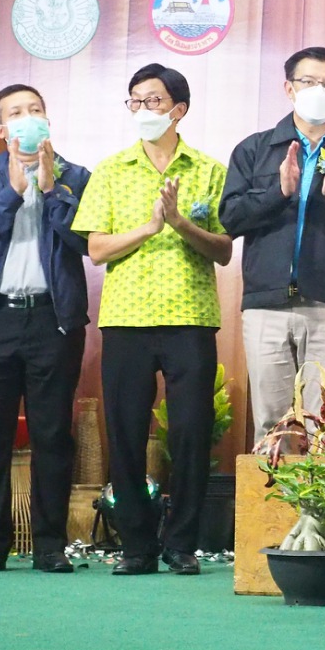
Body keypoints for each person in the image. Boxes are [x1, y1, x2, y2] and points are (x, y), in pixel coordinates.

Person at [72, 64, 232, 576]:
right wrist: (149, 227)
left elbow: (224, 250)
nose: (143, 109)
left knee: (190, 434)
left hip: (190, 317)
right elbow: (96, 249)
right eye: (135, 101)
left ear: (178, 109)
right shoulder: (111, 169)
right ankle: (136, 546)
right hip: (127, 318)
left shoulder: (209, 170)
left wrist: (181, 223)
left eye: (154, 101)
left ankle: (181, 544)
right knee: (125, 434)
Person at [0, 84, 92, 573]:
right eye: (16, 112)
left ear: (47, 120)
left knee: (52, 435)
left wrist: (51, 191)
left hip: (54, 319)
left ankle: (50, 544)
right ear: (0, 128)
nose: (27, 117)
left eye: (35, 109)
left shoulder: (75, 176)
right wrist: (11, 194)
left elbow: (86, 239)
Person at [221, 47, 325, 440]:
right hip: (266, 305)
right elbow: (230, 218)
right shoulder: (255, 149)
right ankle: (273, 485)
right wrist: (279, 192)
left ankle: (319, 485)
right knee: (272, 424)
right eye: (308, 81)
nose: (318, 90)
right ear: (289, 88)